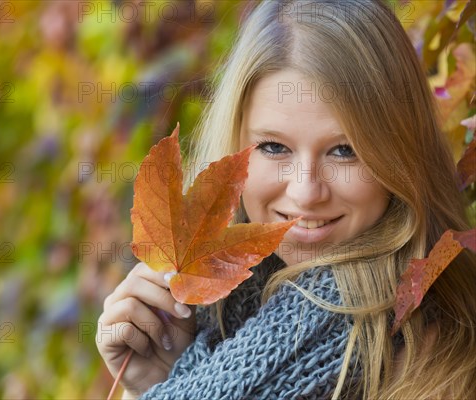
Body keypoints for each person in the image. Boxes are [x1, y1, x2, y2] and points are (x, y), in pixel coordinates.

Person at [96, 0, 476, 398]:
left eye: (344, 151)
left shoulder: (437, 356)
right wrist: (160, 380)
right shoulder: (215, 321)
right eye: (274, 147)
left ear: (401, 152)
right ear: (234, 143)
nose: (306, 192)